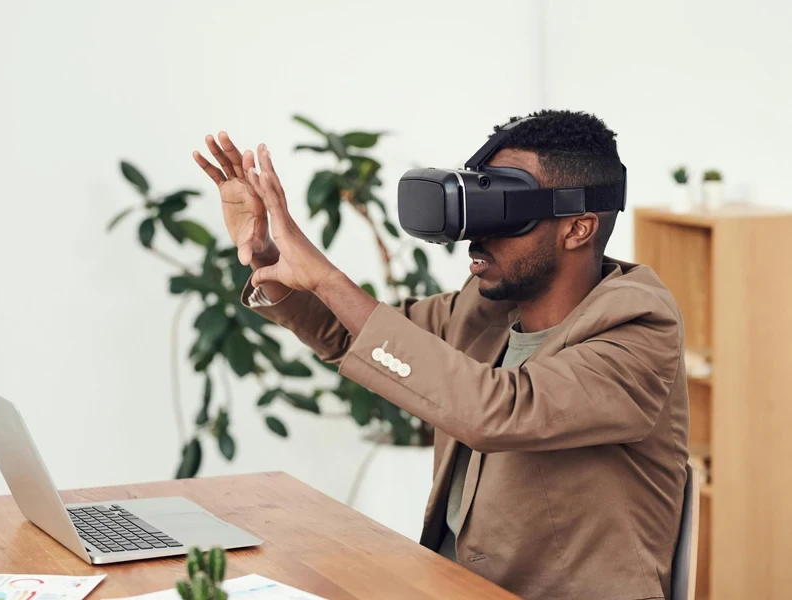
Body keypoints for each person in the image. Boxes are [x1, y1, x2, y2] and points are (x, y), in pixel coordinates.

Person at [193, 110, 690, 600]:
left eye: (507, 210)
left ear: (577, 228)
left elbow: (500, 411)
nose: (478, 233)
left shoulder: (638, 328)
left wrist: (325, 274)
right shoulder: (485, 309)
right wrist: (268, 256)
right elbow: (359, 338)